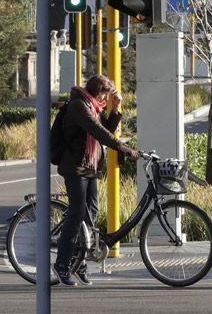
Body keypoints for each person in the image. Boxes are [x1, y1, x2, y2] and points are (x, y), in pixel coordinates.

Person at [53, 74, 139, 287]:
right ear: (96, 92)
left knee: (91, 213)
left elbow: (106, 130)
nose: (106, 100)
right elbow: (99, 133)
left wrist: (116, 109)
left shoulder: (93, 106)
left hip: (90, 167)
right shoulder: (78, 106)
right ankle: (62, 265)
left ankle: (79, 262)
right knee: (77, 213)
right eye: (105, 96)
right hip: (74, 166)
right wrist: (125, 149)